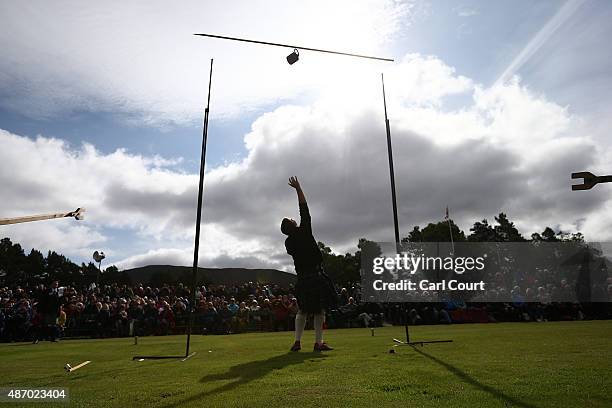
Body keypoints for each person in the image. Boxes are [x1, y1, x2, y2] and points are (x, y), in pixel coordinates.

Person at [281, 176, 336, 352]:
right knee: (320, 310)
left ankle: (297, 342)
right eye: (292, 219)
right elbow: (304, 208)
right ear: (293, 224)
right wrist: (298, 188)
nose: (294, 218)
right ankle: (318, 344)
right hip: (316, 276)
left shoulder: (288, 243)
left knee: (303, 310)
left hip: (303, 279)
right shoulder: (304, 230)